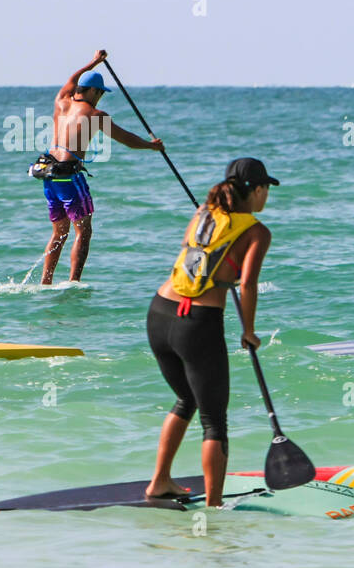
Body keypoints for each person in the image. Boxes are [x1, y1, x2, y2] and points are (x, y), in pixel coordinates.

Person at [145, 158, 277, 506]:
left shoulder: (203, 211)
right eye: (266, 189)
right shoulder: (257, 231)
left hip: (159, 313)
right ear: (257, 190)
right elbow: (247, 284)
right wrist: (249, 331)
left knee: (186, 399)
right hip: (198, 324)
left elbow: (203, 254)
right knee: (214, 420)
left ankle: (159, 481)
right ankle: (214, 507)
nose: (267, 197)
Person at [40, 50, 165, 284]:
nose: (100, 98)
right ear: (93, 91)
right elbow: (126, 139)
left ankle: (45, 282)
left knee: (59, 232)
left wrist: (94, 62)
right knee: (83, 231)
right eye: (99, 93)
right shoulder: (96, 114)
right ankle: (73, 283)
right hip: (69, 176)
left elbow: (71, 79)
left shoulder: (61, 100)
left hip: (49, 174)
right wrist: (151, 146)